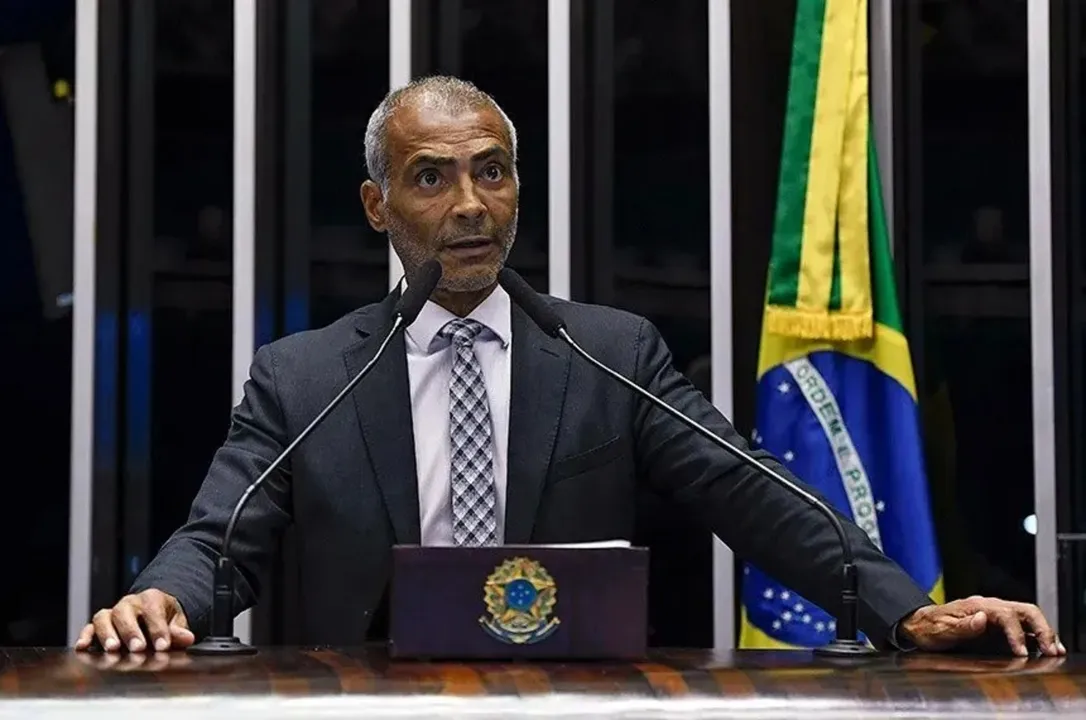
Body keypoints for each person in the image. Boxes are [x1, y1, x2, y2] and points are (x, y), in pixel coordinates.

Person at [76, 76, 1063, 657]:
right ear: (377, 207)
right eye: (432, 177)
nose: (471, 204)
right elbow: (220, 540)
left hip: (572, 703)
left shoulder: (608, 352)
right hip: (367, 704)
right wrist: (159, 600)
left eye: (491, 171)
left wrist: (911, 615)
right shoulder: (303, 375)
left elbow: (755, 496)